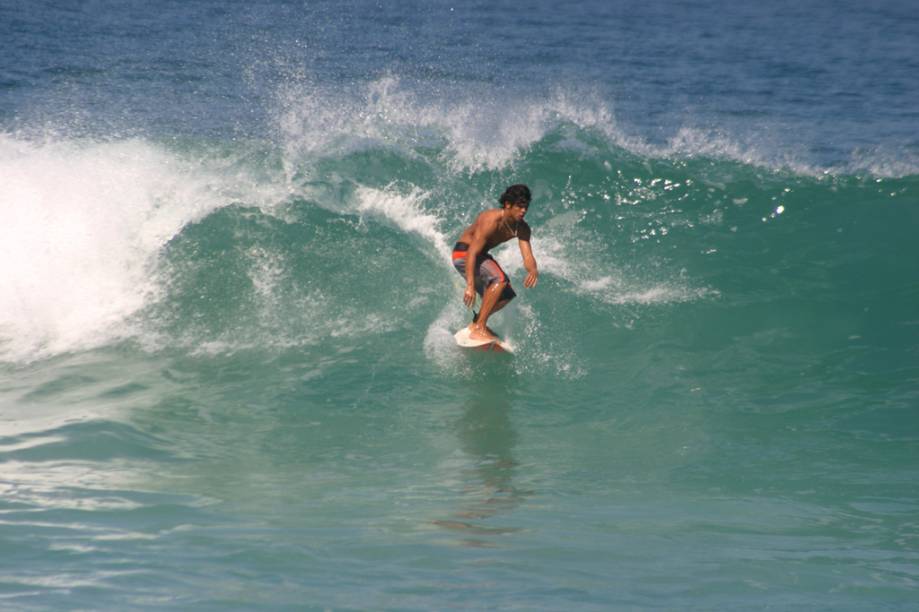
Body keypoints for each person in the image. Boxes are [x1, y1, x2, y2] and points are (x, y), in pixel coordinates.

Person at [451, 184, 538, 342]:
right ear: (508, 205)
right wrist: (470, 285)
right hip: (464, 253)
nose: (523, 211)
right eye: (519, 206)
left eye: (525, 207)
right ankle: (480, 327)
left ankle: (476, 323)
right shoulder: (490, 220)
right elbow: (472, 252)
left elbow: (527, 256)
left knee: (506, 295)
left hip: (480, 255)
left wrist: (533, 270)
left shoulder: (522, 228)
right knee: (500, 280)